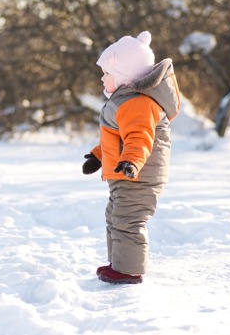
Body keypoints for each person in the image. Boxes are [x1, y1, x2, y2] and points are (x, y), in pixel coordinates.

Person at [82, 31, 181, 284]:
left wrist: (131, 162)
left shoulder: (137, 104)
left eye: (107, 73)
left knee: (128, 219)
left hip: (139, 175)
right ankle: (120, 263)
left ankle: (128, 270)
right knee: (115, 215)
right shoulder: (126, 100)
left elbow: (138, 138)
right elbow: (117, 138)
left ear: (124, 76)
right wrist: (98, 156)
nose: (102, 78)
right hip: (127, 174)